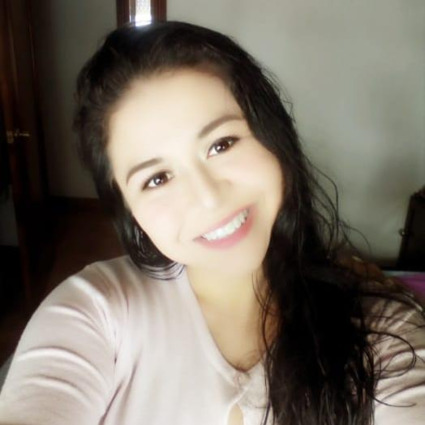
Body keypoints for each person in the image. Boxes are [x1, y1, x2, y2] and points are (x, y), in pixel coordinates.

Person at [0, 21, 424, 425]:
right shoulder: (94, 312)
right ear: (129, 210)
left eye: (222, 144)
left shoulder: (384, 332)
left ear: (274, 136)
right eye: (157, 178)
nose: (208, 197)